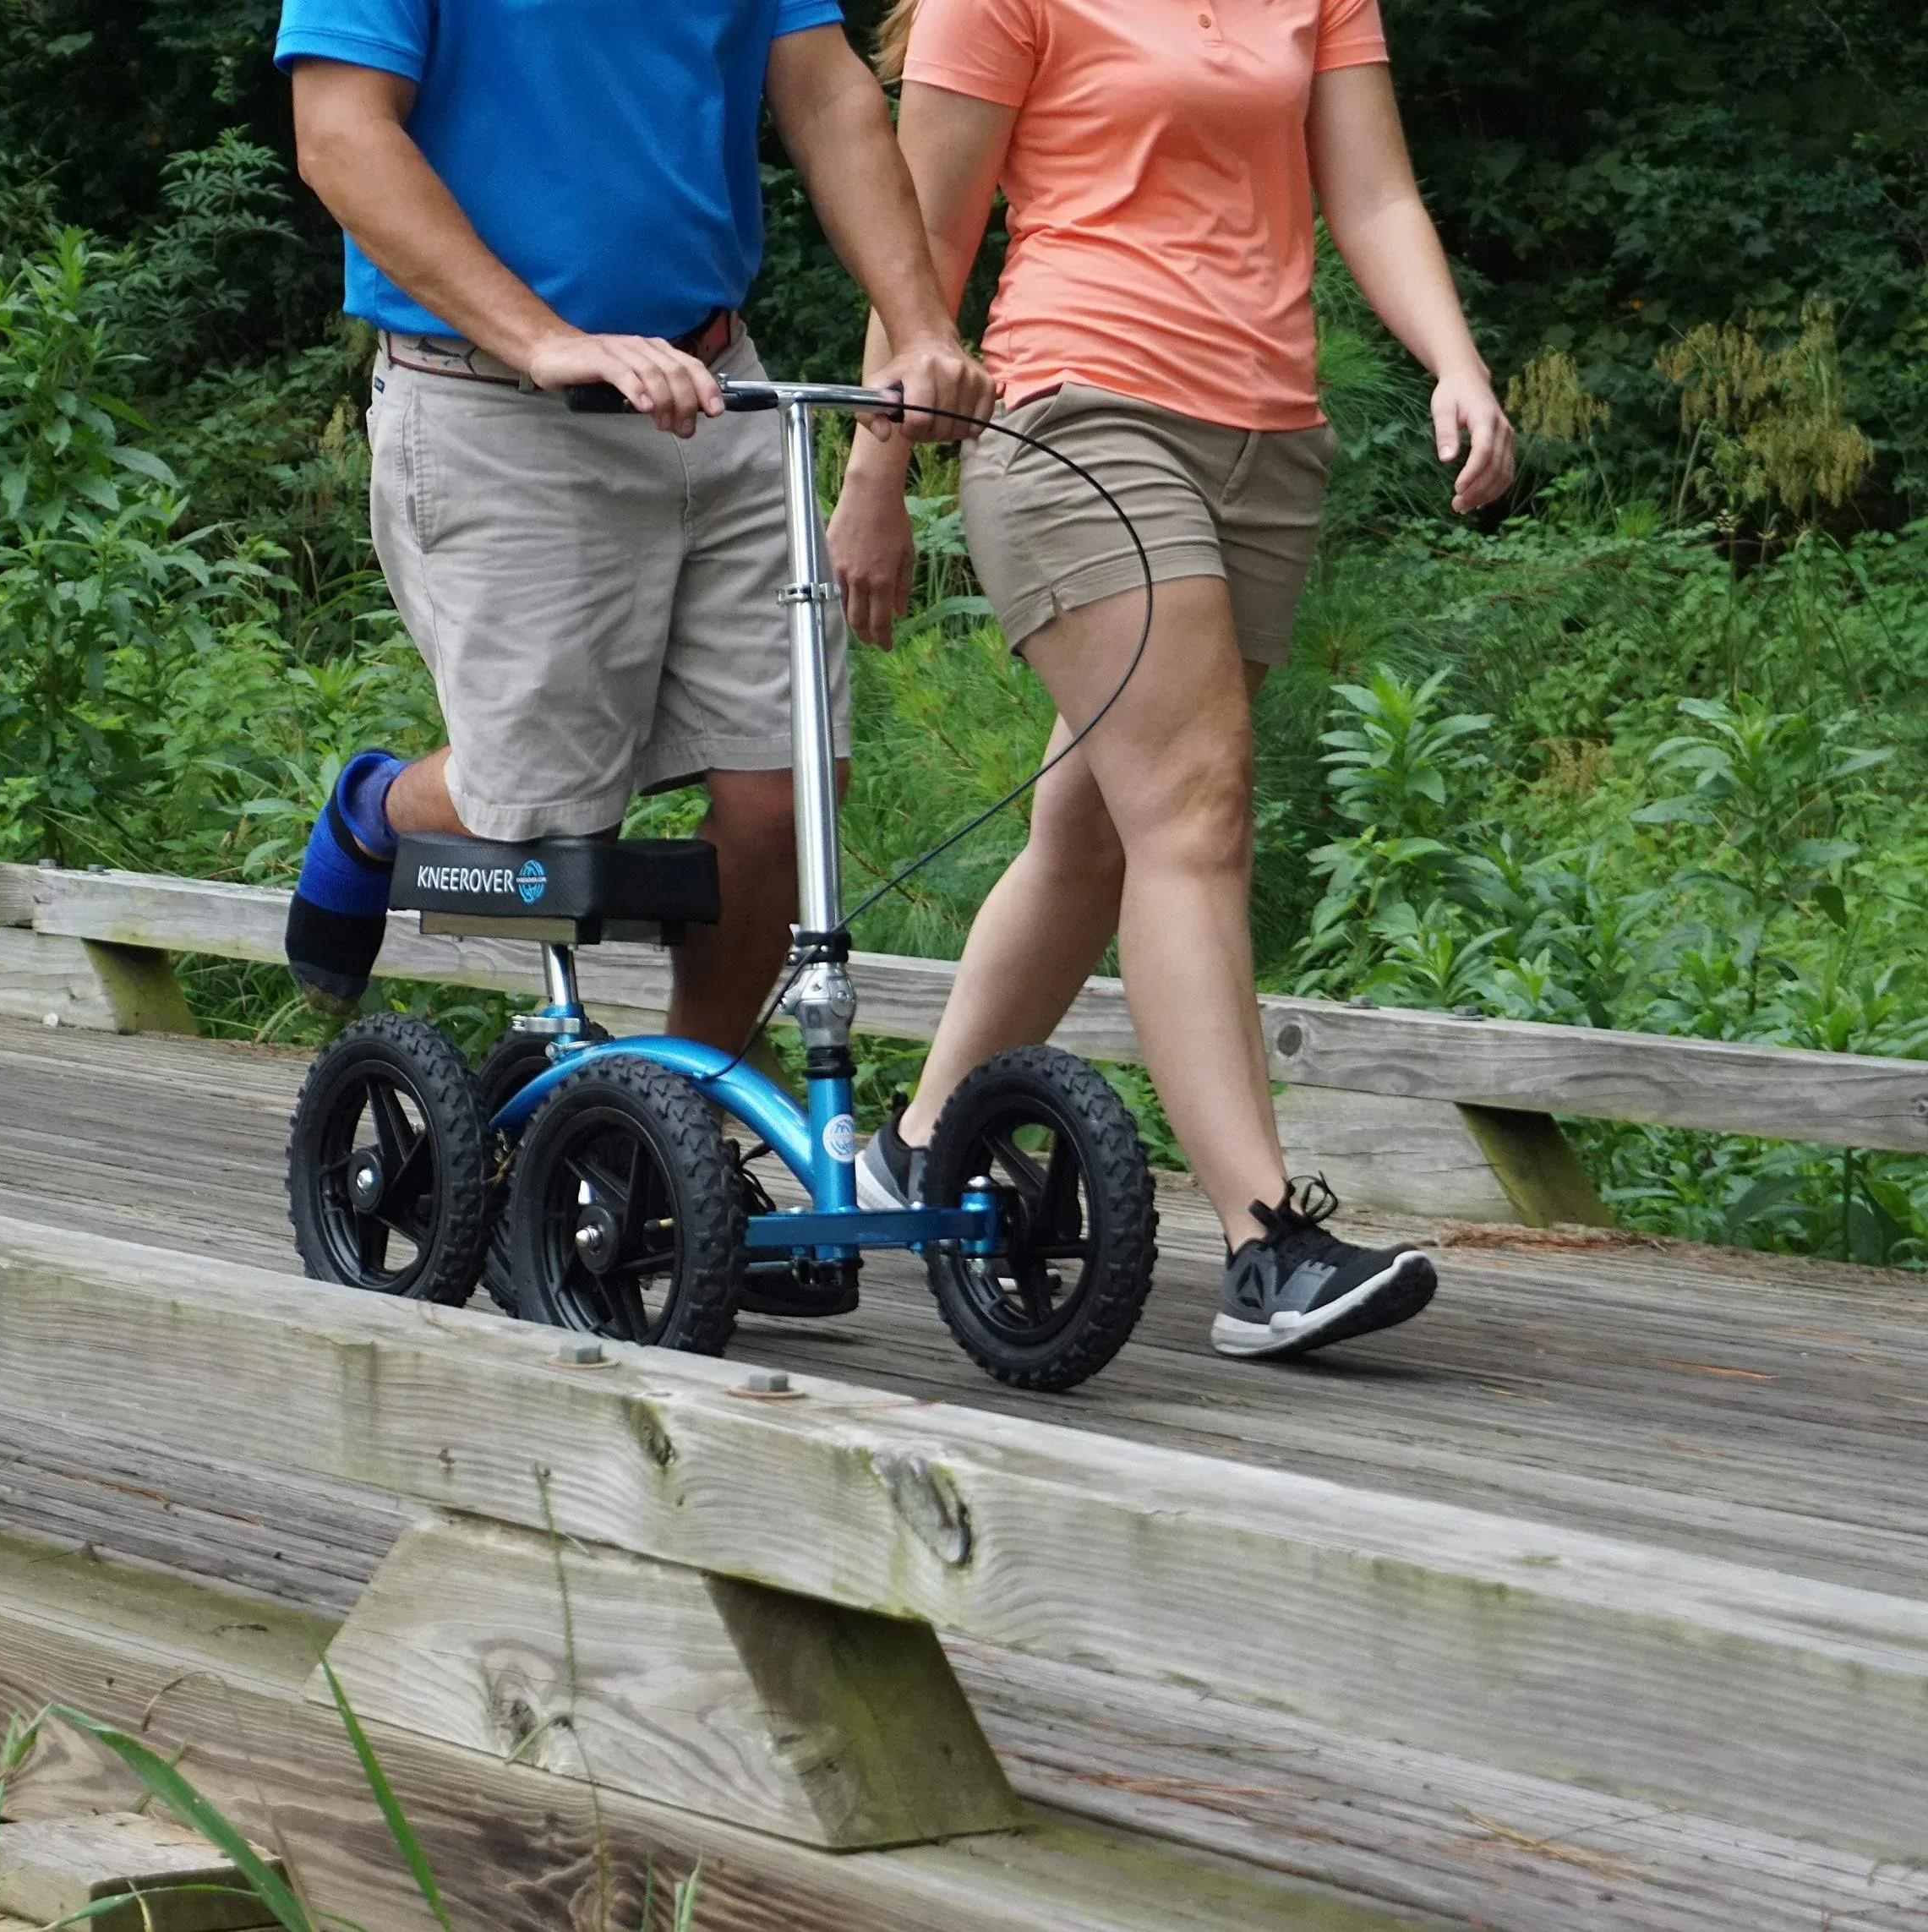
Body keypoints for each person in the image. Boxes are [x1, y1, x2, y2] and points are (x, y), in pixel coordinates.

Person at [832, 0, 1517, 1359]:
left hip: (1267, 440)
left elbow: (1371, 192)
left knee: (1096, 828)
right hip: (1074, 417)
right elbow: (924, 247)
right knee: (1195, 808)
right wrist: (877, 473)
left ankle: (915, 1146)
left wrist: (1456, 360)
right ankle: (1267, 1244)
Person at [271, 0, 993, 1050]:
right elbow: (338, 132)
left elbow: (825, 91)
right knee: (549, 826)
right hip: (497, 399)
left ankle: (679, 1123)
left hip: (715, 385)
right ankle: (374, 814)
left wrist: (919, 326)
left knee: (788, 791)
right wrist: (543, 338)